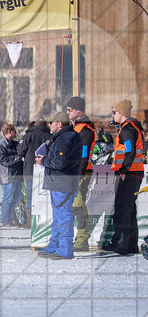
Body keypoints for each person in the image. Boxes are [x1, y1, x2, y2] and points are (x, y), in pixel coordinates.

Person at [36, 114, 83, 260]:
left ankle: (65, 249)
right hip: (58, 182)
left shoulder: (65, 138)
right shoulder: (64, 137)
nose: (49, 125)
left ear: (59, 124)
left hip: (63, 182)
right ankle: (54, 246)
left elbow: (59, 163)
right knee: (58, 217)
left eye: (51, 122)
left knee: (63, 216)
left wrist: (43, 160)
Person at [104, 100, 144, 255]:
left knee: (122, 208)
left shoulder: (127, 129)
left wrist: (123, 169)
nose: (113, 115)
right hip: (135, 172)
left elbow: (130, 150)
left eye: (114, 112)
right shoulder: (132, 127)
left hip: (129, 173)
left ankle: (120, 245)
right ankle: (131, 245)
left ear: (121, 113)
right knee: (129, 209)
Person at [64, 97, 96, 251]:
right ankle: (76, 238)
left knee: (78, 204)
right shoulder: (76, 127)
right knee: (72, 205)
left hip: (81, 173)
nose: (67, 112)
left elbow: (83, 155)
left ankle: (83, 239)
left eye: (69, 109)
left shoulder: (85, 130)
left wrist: (78, 174)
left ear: (78, 110)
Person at [17, 116, 54, 224]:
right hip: (47, 170)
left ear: (34, 124)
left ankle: (30, 221)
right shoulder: (50, 136)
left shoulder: (28, 136)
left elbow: (20, 151)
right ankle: (44, 220)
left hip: (30, 170)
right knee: (45, 196)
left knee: (30, 196)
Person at [0, 123, 24, 226]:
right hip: (7, 176)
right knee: (8, 198)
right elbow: (2, 159)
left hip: (16, 175)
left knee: (16, 198)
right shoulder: (2, 145)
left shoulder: (13, 144)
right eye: (14, 131)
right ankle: (6, 220)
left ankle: (10, 216)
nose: (16, 133)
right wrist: (17, 158)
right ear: (9, 132)